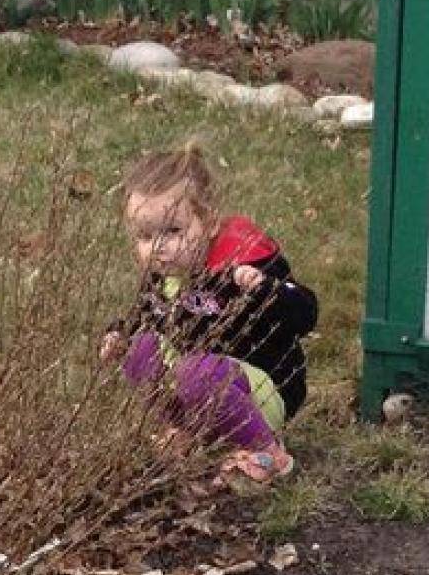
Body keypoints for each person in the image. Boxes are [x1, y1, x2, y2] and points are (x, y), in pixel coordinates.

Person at [100, 144, 318, 482]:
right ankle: (184, 429)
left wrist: (265, 289)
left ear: (210, 220)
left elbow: (306, 313)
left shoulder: (243, 262)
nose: (158, 248)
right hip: (199, 388)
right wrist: (119, 336)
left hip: (262, 390)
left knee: (197, 371)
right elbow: (141, 316)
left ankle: (269, 451)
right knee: (139, 350)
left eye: (172, 231)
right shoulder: (163, 278)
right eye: (145, 235)